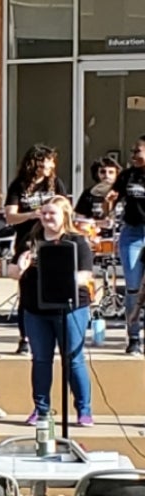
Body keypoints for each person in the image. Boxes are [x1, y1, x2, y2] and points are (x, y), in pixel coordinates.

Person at [11, 196, 93, 426]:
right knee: (40, 360)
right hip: (35, 309)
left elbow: (85, 275)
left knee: (73, 359)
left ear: (64, 216)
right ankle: (41, 409)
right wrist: (21, 268)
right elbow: (12, 271)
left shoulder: (77, 241)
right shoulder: (30, 240)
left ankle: (84, 410)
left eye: (52, 213)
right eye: (44, 213)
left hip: (69, 309)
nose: (47, 218)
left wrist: (61, 278)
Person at [5, 144, 67, 355]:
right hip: (27, 240)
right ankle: (25, 338)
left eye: (52, 161)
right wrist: (31, 215)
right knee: (27, 289)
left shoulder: (54, 183)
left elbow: (65, 209)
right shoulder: (19, 186)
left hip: (52, 239)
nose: (50, 165)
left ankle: (55, 333)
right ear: (36, 163)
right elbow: (10, 216)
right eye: (46, 161)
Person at [109, 137, 145, 357]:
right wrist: (109, 202)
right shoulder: (128, 175)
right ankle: (133, 337)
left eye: (138, 150)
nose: (133, 154)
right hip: (132, 233)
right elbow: (112, 198)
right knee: (132, 286)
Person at [76, 157, 123, 226]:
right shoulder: (88, 194)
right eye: (103, 172)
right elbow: (79, 220)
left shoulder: (124, 192)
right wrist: (98, 223)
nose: (107, 175)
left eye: (111, 172)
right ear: (96, 174)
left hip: (122, 234)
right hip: (94, 233)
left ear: (117, 174)